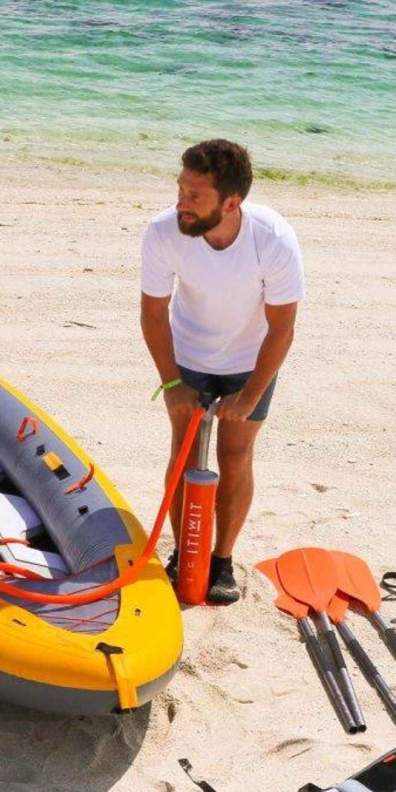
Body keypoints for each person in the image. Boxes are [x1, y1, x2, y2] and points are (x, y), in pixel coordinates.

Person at [140, 139, 304, 604]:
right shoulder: (163, 232)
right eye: (180, 189)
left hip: (251, 360)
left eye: (195, 196)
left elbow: (282, 328)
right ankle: (182, 555)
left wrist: (249, 395)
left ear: (231, 203)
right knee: (185, 453)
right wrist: (172, 382)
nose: (181, 203)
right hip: (187, 355)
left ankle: (222, 560)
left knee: (235, 456)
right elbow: (153, 313)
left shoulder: (272, 238)